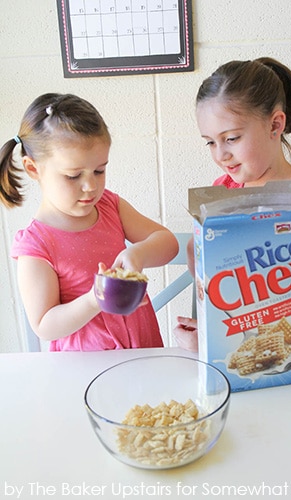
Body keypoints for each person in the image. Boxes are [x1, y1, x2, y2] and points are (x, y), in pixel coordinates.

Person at [173, 57, 291, 350]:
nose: (220, 155)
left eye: (232, 138)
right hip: (238, 349)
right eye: (210, 142)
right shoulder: (222, 192)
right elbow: (221, 296)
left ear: (275, 124)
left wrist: (219, 341)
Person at [1, 93, 178, 351]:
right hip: (84, 367)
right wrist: (95, 300)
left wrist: (138, 255)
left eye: (99, 171)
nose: (90, 186)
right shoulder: (36, 244)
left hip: (142, 352)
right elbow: (44, 324)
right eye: (73, 176)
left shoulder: (109, 206)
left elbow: (168, 243)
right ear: (33, 169)